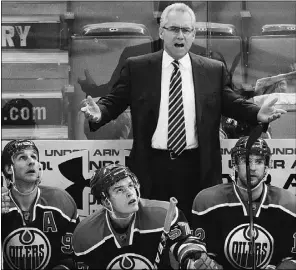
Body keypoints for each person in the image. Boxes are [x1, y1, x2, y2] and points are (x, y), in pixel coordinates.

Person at [80, 3, 286, 222]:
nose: (181, 36)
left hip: (198, 167)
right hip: (152, 166)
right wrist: (100, 113)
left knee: (198, 229)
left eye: (186, 30)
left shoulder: (212, 69)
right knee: (155, 229)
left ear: (193, 33)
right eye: (174, 29)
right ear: (161, 31)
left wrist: (257, 115)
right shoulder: (138, 67)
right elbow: (115, 101)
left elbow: (232, 102)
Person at [72, 164, 222, 269]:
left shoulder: (163, 213)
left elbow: (183, 242)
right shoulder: (85, 235)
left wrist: (192, 257)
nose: (130, 193)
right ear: (105, 201)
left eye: (130, 185)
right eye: (119, 190)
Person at [192, 136, 296, 269]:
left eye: (258, 162)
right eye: (245, 161)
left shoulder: (288, 205)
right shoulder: (208, 202)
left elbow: (292, 258)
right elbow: (201, 254)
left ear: (267, 166)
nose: (252, 167)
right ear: (234, 164)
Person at [1, 139, 80, 270]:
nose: (31, 161)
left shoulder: (61, 201)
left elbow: (74, 256)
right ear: (9, 168)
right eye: (22, 157)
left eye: (34, 157)